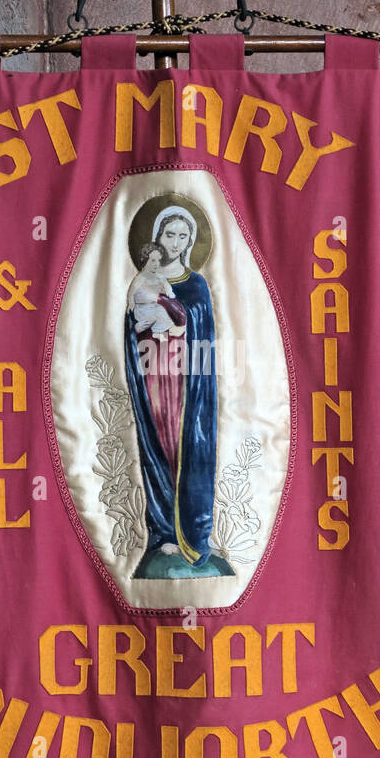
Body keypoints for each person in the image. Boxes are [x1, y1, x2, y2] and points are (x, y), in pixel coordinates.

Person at [124, 205, 233, 578]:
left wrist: (174, 313)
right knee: (159, 450)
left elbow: (201, 330)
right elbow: (132, 326)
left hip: (187, 384)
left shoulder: (196, 283)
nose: (175, 242)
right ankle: (163, 534)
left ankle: (195, 536)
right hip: (154, 377)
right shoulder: (141, 279)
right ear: (156, 238)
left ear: (190, 242)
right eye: (169, 234)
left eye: (182, 236)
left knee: (191, 450)